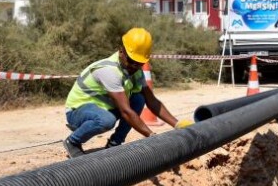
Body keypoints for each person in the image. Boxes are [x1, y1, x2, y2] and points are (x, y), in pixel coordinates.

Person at [62, 27, 187, 158]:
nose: (134, 67)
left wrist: (177, 124)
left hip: (103, 108)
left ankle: (115, 142)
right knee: (107, 120)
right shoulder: (109, 70)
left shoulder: (135, 71)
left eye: (139, 63)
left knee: (139, 99)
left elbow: (152, 101)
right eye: (132, 62)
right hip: (77, 111)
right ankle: (73, 142)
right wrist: (151, 136)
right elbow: (126, 112)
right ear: (121, 51)